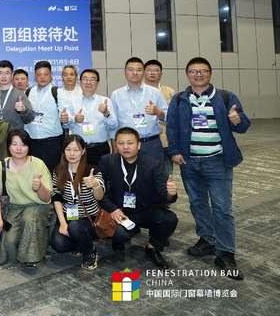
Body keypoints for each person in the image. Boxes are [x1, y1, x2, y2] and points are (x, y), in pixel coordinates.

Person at [166, 57, 250, 280]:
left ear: (210, 73)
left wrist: (237, 119)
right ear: (187, 74)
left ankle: (226, 253)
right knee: (197, 203)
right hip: (189, 162)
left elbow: (243, 126)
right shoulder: (179, 100)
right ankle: (208, 239)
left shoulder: (225, 97)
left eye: (203, 71)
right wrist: (174, 151)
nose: (198, 74)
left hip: (218, 162)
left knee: (222, 208)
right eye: (193, 71)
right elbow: (172, 127)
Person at [98, 127, 178, 269]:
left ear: (139, 145)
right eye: (121, 143)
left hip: (145, 209)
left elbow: (163, 194)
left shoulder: (152, 163)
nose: (125, 147)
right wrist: (112, 209)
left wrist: (171, 193)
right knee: (119, 235)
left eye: (130, 143)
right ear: (116, 145)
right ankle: (121, 238)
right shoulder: (107, 161)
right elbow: (100, 193)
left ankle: (152, 247)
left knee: (170, 219)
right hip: (120, 211)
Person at [0, 129, 52, 267]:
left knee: (29, 219)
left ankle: (32, 258)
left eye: (23, 144)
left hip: (37, 206)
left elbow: (47, 198)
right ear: (8, 146)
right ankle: (34, 243)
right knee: (9, 244)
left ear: (29, 146)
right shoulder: (1, 166)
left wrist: (39, 187)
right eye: (14, 144)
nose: (19, 148)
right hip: (13, 208)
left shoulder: (38, 164)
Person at [50, 135, 105, 270]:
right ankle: (81, 242)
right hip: (68, 215)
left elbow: (99, 197)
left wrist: (96, 185)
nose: (72, 154)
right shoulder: (58, 170)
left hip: (89, 218)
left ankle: (90, 252)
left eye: (76, 150)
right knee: (58, 244)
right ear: (63, 151)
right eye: (68, 150)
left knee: (75, 227)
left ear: (83, 151)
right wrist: (62, 223)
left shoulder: (92, 170)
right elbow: (56, 197)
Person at [110, 57, 168, 170]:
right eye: (131, 69)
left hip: (151, 144)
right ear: (125, 72)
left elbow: (169, 117)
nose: (135, 73)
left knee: (155, 177)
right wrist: (114, 147)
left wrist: (158, 112)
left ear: (144, 72)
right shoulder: (116, 95)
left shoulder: (155, 93)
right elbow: (114, 124)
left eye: (139, 70)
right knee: (127, 177)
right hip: (126, 145)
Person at [65, 69, 116, 168]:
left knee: (101, 176)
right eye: (85, 79)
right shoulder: (72, 101)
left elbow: (113, 126)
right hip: (79, 149)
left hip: (100, 148)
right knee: (80, 176)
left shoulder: (106, 101)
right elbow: (65, 125)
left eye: (92, 79)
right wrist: (74, 119)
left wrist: (106, 113)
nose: (88, 82)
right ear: (80, 82)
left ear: (97, 83)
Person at [24, 61, 64, 172]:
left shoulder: (57, 92)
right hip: (32, 142)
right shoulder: (28, 92)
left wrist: (65, 117)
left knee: (51, 174)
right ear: (35, 76)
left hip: (52, 142)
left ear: (51, 75)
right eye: (39, 74)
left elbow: (64, 114)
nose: (42, 77)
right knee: (34, 174)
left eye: (46, 74)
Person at [144, 59, 175, 173]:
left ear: (161, 74)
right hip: (144, 141)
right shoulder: (138, 92)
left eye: (156, 70)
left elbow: (174, 117)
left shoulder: (169, 92)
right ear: (144, 72)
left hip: (166, 140)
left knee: (166, 175)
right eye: (149, 70)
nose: (152, 73)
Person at [0, 60, 33, 131]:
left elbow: (29, 119)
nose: (3, 76)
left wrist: (24, 110)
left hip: (14, 136)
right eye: (0, 73)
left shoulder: (20, 95)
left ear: (12, 75)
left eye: (7, 73)